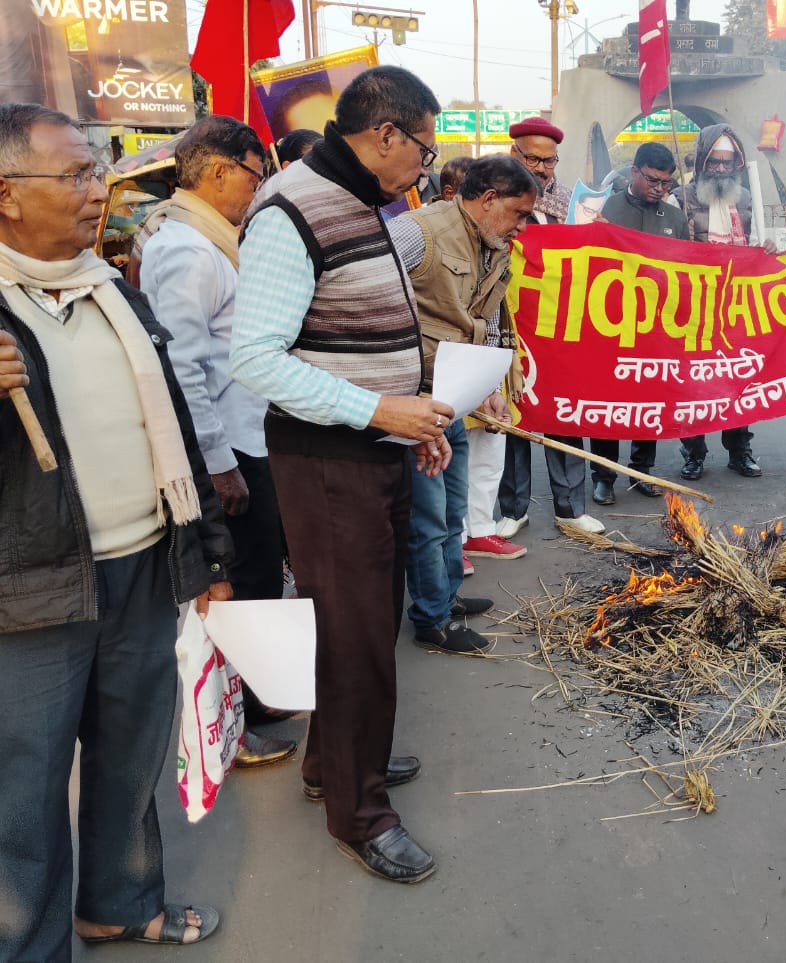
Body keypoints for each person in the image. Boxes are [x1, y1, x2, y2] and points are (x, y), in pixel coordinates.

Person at [0, 103, 231, 953]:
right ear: (7, 195)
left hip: (143, 561)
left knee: (131, 759)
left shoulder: (113, 289)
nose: (99, 191)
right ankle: (26, 945)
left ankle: (121, 903)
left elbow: (169, 416)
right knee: (21, 791)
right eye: (77, 175)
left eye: (96, 172)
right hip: (29, 586)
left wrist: (207, 547)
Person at [231, 66, 453, 884]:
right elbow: (254, 356)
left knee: (365, 618)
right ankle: (359, 813)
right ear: (384, 134)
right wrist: (378, 413)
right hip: (326, 458)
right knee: (355, 630)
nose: (425, 167)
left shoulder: (370, 199)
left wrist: (414, 415)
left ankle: (336, 758)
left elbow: (374, 326)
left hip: (376, 447)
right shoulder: (292, 210)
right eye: (423, 148)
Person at [136, 115, 298, 766]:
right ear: (219, 172)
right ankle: (230, 729)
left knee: (259, 578)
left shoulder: (213, 239)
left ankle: (257, 700)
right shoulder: (186, 248)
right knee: (236, 588)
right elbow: (183, 368)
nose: (257, 190)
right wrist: (218, 463)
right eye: (255, 175)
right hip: (228, 449)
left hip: (249, 439)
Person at [394, 155, 538, 654]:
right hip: (418, 400)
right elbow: (374, 298)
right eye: (518, 214)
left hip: (455, 397)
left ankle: (447, 594)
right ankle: (432, 618)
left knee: (453, 511)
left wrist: (490, 388)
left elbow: (490, 321)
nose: (522, 227)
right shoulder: (417, 232)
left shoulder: (495, 245)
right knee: (430, 518)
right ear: (488, 199)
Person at [497, 115, 603, 538]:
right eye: (533, 159)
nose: (542, 169)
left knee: (565, 413)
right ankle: (513, 507)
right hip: (509, 322)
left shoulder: (574, 207)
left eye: (550, 162)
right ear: (514, 154)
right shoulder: (494, 197)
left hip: (561, 328)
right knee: (514, 417)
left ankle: (571, 507)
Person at [588, 141, 690, 505]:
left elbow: (690, 270)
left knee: (650, 401)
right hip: (610, 324)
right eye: (653, 181)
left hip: (657, 327)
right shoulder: (603, 209)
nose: (660, 190)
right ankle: (604, 475)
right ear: (634, 172)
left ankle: (642, 469)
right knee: (608, 401)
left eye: (667, 184)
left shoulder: (676, 219)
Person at [672, 123, 776, 480]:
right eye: (713, 162)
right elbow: (663, 253)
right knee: (694, 384)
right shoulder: (680, 198)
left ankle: (739, 450)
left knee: (739, 380)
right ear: (702, 162)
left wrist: (767, 249)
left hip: (737, 306)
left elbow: (758, 245)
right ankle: (694, 454)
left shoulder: (748, 200)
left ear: (737, 165)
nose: (719, 169)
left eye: (726, 163)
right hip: (693, 309)